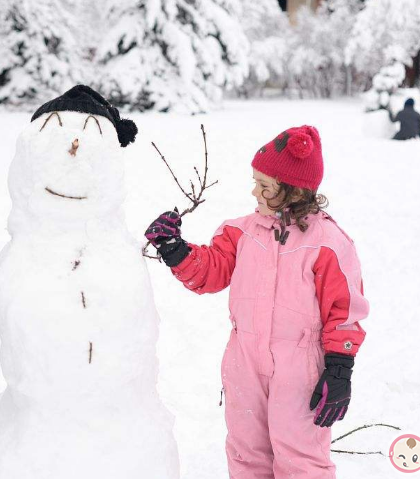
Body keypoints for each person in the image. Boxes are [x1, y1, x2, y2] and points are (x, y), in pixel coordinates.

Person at [145, 125, 369, 479]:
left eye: (265, 187)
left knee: (300, 459)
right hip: (244, 360)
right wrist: (175, 250)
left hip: (299, 368)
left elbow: (344, 310)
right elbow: (210, 272)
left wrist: (339, 367)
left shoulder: (328, 242)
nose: (255, 192)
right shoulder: (242, 231)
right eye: (255, 182)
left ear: (295, 192)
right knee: (246, 454)